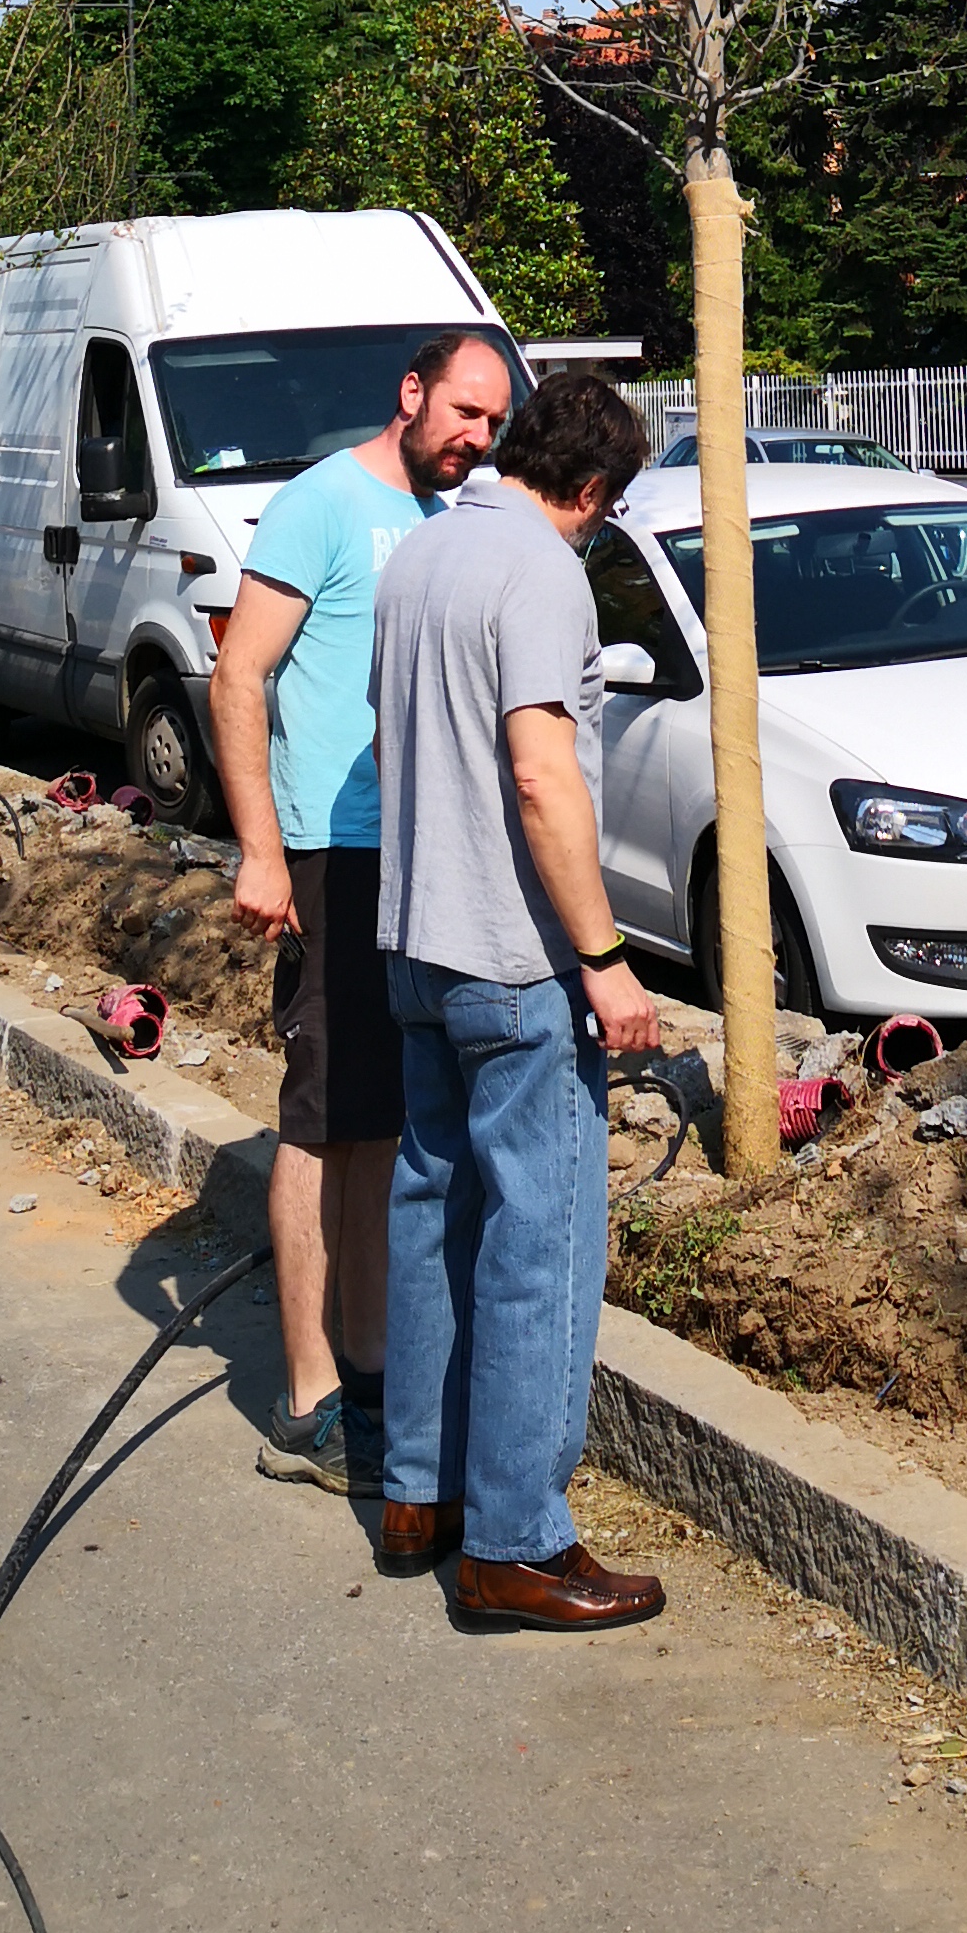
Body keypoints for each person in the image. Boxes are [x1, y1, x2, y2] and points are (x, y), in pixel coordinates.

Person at [369, 364, 668, 1632]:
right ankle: (515, 1540)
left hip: (415, 942)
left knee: (434, 1207)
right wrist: (603, 957)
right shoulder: (543, 572)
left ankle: (418, 1496)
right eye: (608, 509)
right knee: (540, 1239)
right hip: (511, 957)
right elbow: (545, 777)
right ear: (591, 489)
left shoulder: (423, 554)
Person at [208, 324, 517, 1495]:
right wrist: (260, 849)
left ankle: (373, 1363)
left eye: (493, 420)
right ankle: (306, 1399)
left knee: (379, 1123)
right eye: (463, 411)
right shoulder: (323, 504)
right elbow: (242, 673)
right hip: (330, 856)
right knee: (317, 1118)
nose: (476, 436)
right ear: (411, 393)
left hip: (426, 858)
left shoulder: (461, 519)